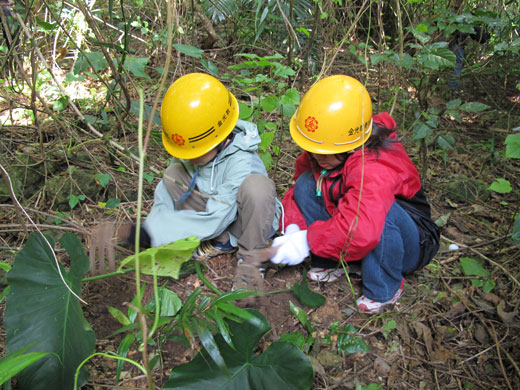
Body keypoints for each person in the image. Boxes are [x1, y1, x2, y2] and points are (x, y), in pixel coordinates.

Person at [270, 75, 440, 313]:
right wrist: (294, 228)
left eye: (327, 151)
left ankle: (384, 288)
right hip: (362, 228)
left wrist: (308, 241)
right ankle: (333, 261)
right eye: (312, 148)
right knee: (308, 183)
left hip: (411, 240)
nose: (318, 155)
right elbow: (298, 189)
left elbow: (363, 227)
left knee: (380, 209)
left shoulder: (374, 167)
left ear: (352, 144)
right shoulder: (321, 153)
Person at [128, 72, 281, 268]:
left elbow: (218, 215)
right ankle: (222, 241)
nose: (188, 157)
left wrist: (155, 234)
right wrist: (151, 230)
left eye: (194, 152)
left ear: (217, 140)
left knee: (258, 188)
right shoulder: (194, 144)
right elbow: (164, 198)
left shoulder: (243, 163)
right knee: (173, 174)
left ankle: (251, 258)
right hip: (214, 209)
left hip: (245, 221)